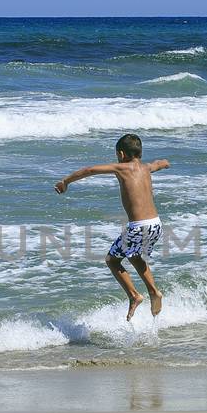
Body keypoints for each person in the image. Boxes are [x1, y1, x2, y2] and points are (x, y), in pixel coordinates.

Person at [54, 133, 171, 320]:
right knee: (134, 255)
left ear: (122, 154)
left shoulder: (122, 168)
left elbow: (90, 170)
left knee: (112, 260)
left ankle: (135, 295)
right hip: (156, 225)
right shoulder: (147, 167)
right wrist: (165, 163)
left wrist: (65, 182)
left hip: (138, 227)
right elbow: (161, 163)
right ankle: (153, 292)